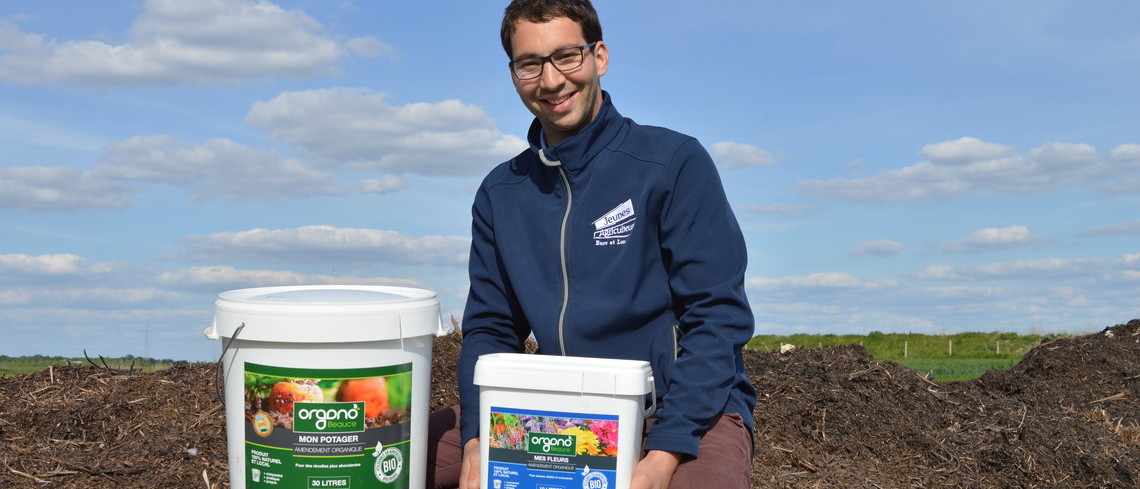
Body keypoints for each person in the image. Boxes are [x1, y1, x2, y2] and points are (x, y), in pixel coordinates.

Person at [428, 1, 756, 488]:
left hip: (675, 410)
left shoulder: (673, 163)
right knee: (392, 453)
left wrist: (664, 452)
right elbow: (491, 328)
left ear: (599, 57)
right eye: (530, 63)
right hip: (555, 409)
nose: (552, 80)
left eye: (567, 56)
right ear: (514, 73)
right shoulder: (502, 192)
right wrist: (477, 438)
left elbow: (717, 319)